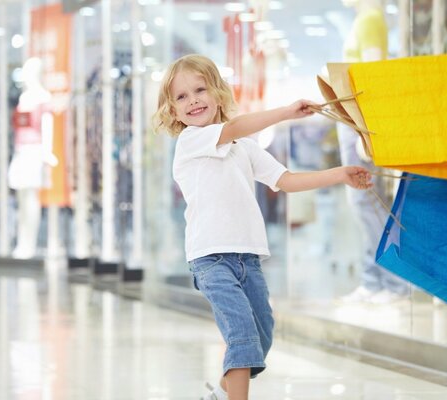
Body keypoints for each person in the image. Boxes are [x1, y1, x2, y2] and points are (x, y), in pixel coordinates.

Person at [152, 54, 373, 400]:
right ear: (172, 110)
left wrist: (341, 174)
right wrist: (286, 112)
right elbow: (234, 127)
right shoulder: (191, 141)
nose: (193, 100)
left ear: (218, 93)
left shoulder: (244, 148)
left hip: (248, 259)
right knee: (241, 335)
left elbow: (285, 180)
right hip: (211, 260)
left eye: (200, 89)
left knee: (262, 336)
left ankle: (219, 396)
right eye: (181, 97)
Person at [337, 0, 410, 304]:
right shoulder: (366, 20)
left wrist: (365, 131)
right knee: (366, 202)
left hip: (358, 122)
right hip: (353, 120)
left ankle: (392, 282)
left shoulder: (370, 20)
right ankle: (374, 280)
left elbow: (373, 81)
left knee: (367, 201)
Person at [8, 58, 57, 259]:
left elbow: (47, 125)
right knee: (21, 197)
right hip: (21, 150)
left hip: (35, 151)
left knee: (31, 198)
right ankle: (22, 242)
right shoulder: (24, 98)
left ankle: (30, 244)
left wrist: (47, 151)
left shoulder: (43, 97)